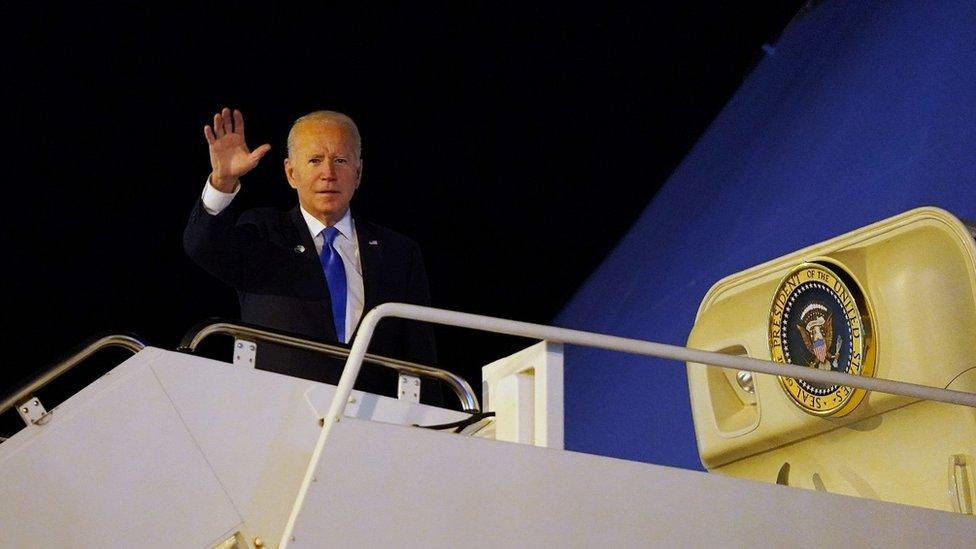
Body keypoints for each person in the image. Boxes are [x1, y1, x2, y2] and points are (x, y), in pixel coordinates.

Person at [184, 108, 438, 399]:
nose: (328, 174)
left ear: (358, 173)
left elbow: (421, 360)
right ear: (292, 173)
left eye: (340, 161)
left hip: (370, 424)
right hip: (277, 417)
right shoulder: (264, 233)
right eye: (315, 160)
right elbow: (202, 246)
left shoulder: (399, 253)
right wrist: (223, 181)